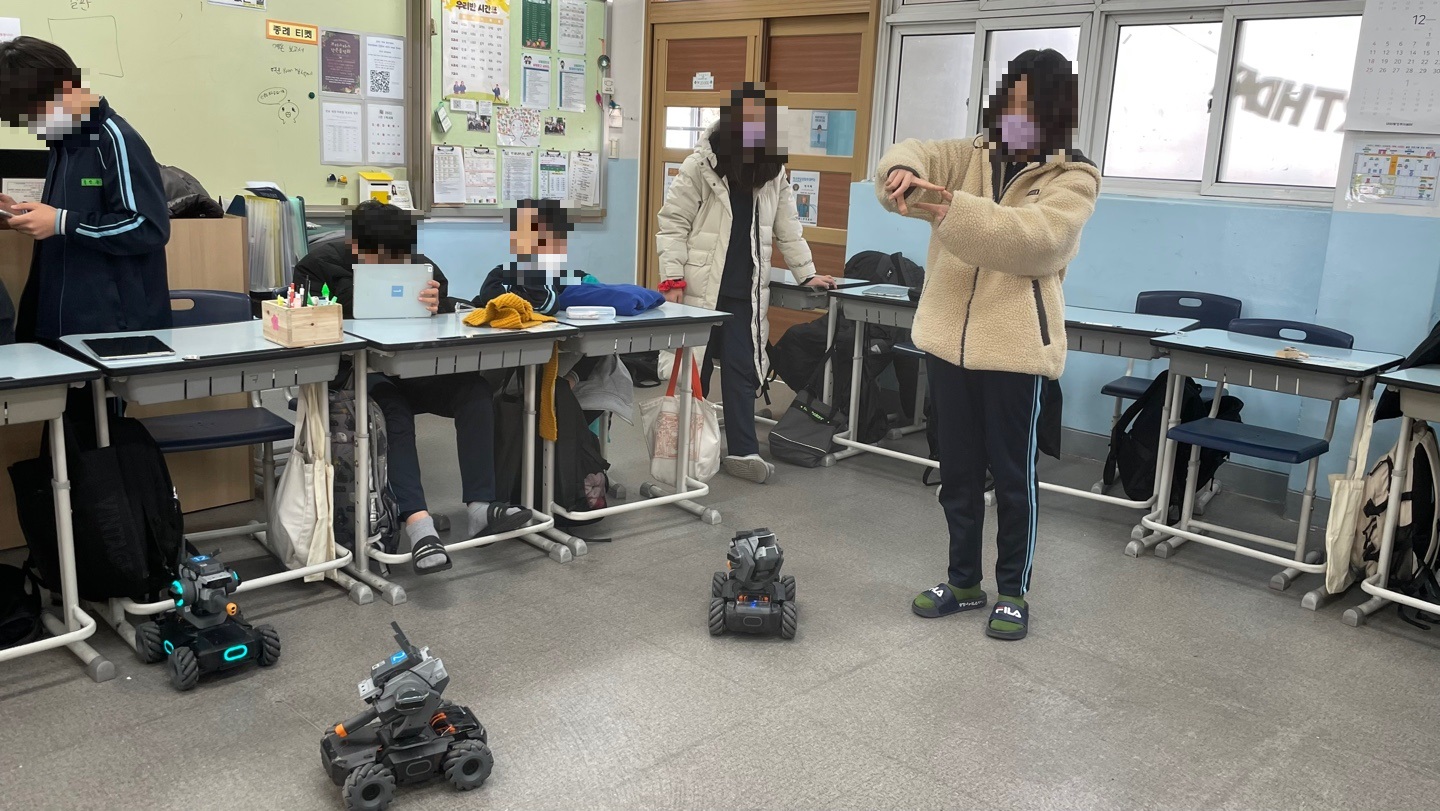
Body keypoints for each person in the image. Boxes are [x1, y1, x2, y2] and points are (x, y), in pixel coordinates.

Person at [875, 49, 1099, 641]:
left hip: (1016, 350)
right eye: (1010, 103)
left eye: (1031, 107)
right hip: (947, 343)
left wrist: (950, 206)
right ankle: (964, 582)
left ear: (1056, 114)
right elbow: (912, 152)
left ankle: (1013, 592)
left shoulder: (1073, 178)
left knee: (1014, 479)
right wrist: (901, 171)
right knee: (958, 474)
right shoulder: (969, 155)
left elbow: (1035, 242)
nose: (1015, 118)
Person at [293, 201, 533, 575]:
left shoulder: (418, 265)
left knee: (473, 390)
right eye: (382, 258)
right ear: (356, 246)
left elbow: (444, 309)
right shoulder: (317, 266)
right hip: (353, 377)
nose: (394, 265)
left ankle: (480, 508)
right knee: (392, 407)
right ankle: (419, 527)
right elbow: (306, 326)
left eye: (400, 257)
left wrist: (439, 305)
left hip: (409, 370)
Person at [655, 83, 836, 484]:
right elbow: (672, 224)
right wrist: (672, 277)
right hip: (699, 288)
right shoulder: (701, 165)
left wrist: (807, 272)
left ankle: (742, 449)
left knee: (742, 370)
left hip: (745, 292)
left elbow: (788, 226)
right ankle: (682, 450)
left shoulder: (772, 172)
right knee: (692, 369)